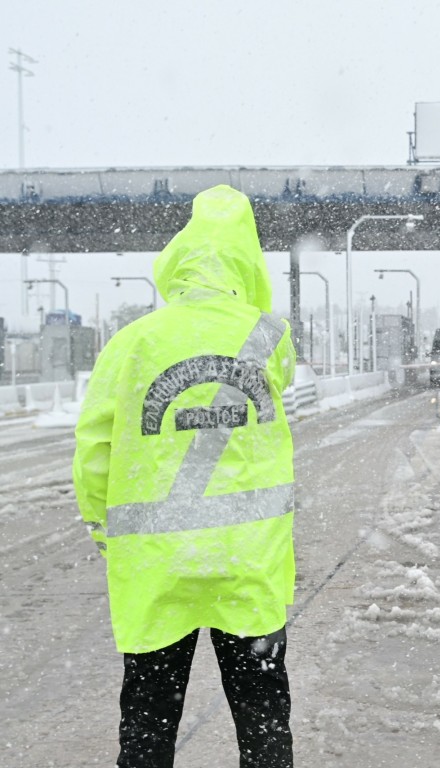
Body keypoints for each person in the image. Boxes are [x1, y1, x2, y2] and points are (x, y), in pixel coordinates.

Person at [73, 185, 297, 768]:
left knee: (148, 720)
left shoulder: (131, 343)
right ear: (248, 260)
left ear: (177, 258)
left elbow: (93, 447)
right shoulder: (269, 336)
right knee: (263, 720)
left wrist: (104, 529)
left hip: (156, 568)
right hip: (248, 564)